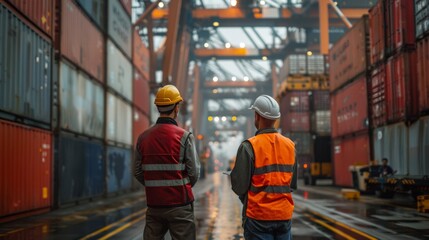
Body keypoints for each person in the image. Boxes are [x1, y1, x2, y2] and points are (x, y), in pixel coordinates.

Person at [134, 85, 200, 240]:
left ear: (158, 107)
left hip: (154, 205)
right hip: (180, 205)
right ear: (176, 108)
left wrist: (156, 187)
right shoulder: (185, 137)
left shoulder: (143, 138)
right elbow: (194, 173)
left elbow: (137, 172)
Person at [230, 95, 297, 240]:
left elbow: (239, 187)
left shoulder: (249, 146)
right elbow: (291, 185)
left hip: (258, 217)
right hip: (284, 216)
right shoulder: (290, 146)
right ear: (276, 118)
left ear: (257, 116)